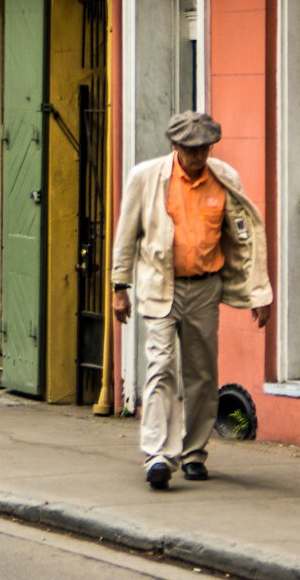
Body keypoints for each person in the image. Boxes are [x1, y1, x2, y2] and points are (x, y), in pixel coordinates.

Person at [111, 110, 271, 490]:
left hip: (204, 288)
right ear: (175, 146)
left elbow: (246, 238)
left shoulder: (225, 178)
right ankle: (158, 455)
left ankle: (195, 452)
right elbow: (126, 233)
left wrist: (259, 292)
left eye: (204, 149)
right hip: (159, 285)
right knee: (160, 367)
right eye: (190, 150)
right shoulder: (146, 178)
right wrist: (120, 286)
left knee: (202, 375)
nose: (198, 157)